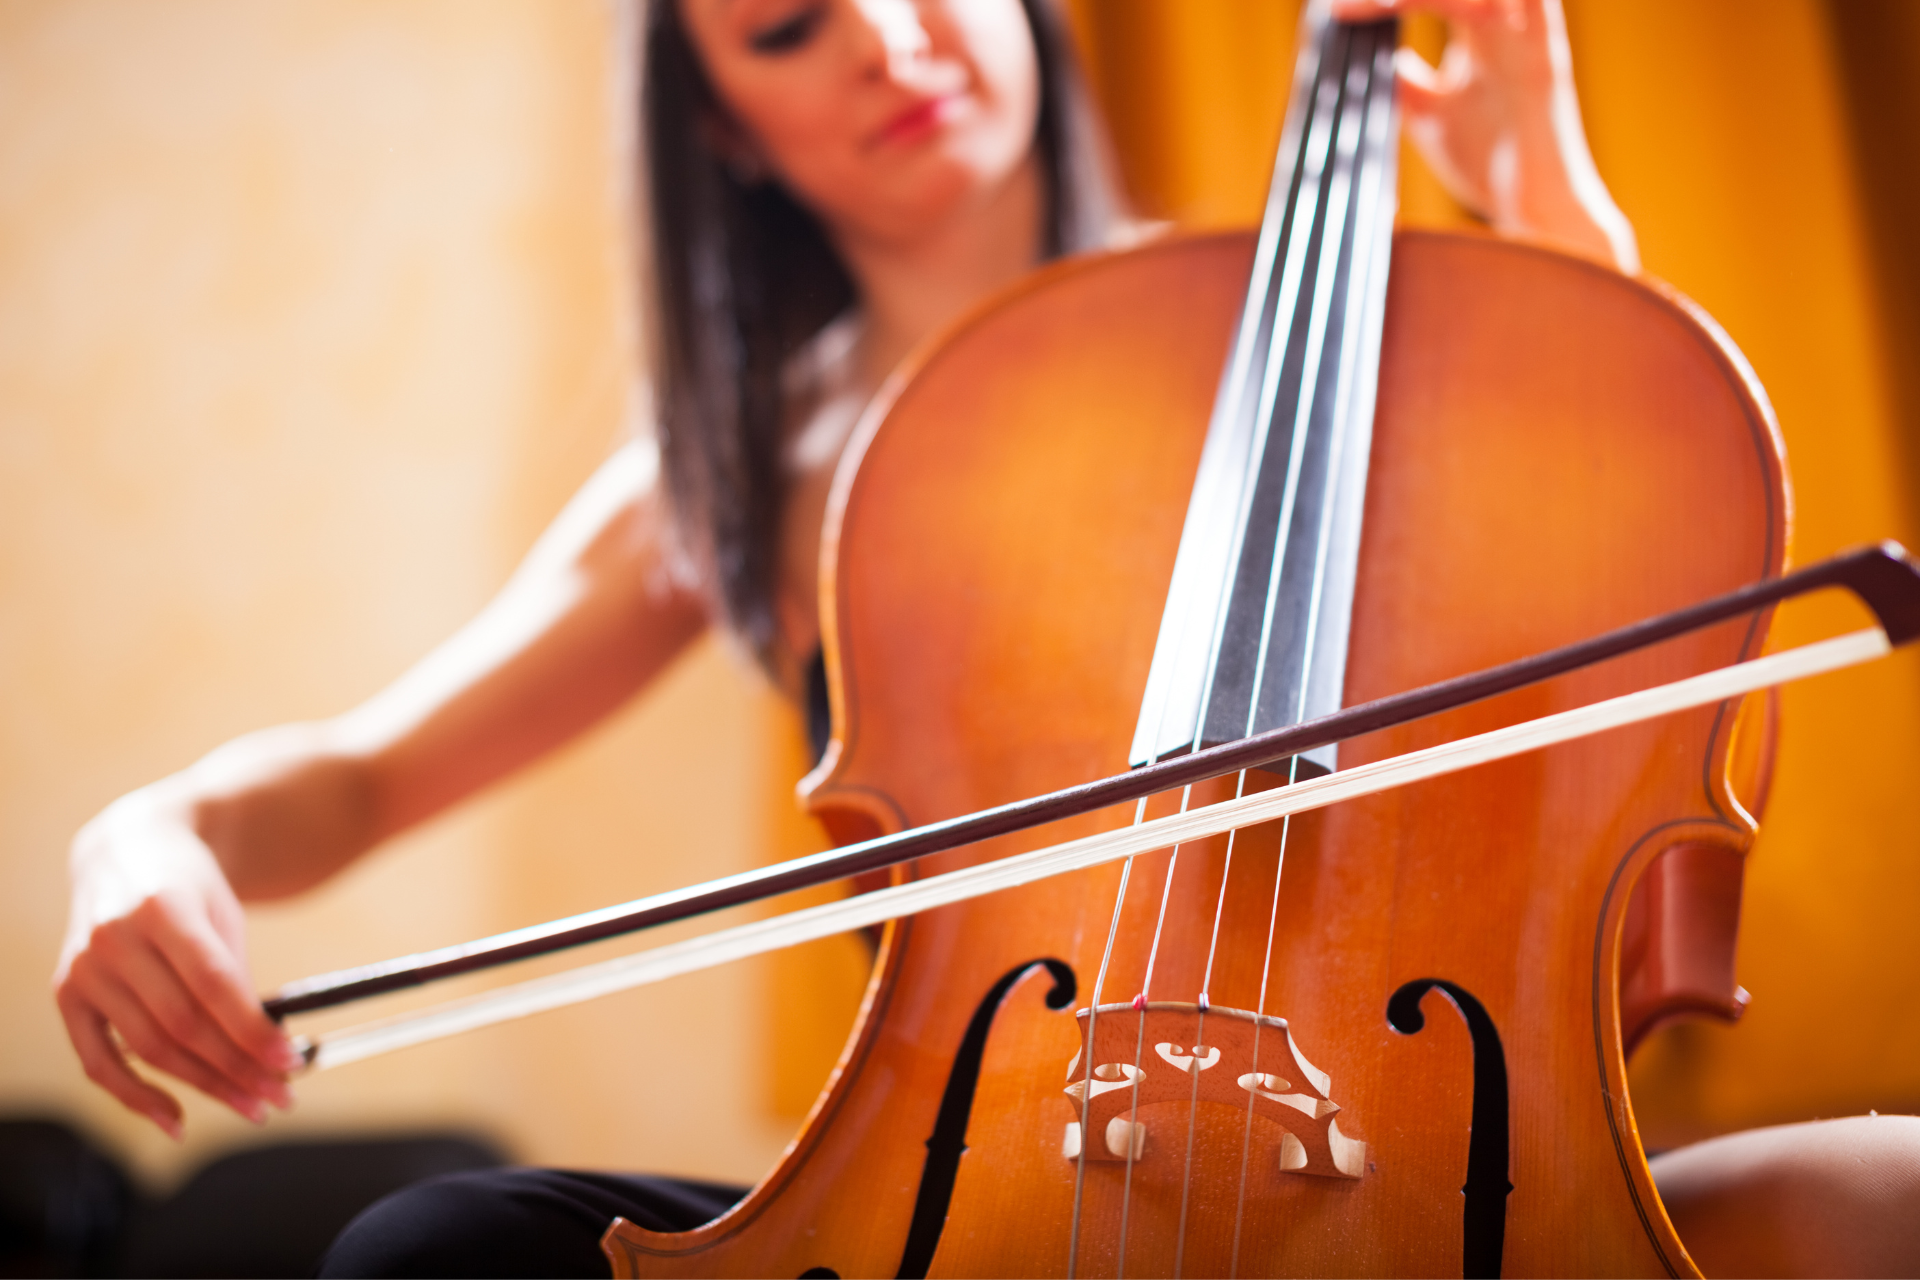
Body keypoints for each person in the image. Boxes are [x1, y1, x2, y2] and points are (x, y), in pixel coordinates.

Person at [52, 0, 1920, 1274]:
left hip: (1395, 1174)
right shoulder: (751, 469)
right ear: (727, 120)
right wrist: (149, 842)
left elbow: (1646, 621)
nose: (886, 35)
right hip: (970, 1207)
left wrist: (1543, 210)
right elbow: (360, 777)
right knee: (431, 1253)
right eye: (787, 21)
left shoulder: (1330, 352)